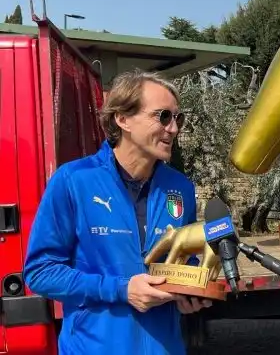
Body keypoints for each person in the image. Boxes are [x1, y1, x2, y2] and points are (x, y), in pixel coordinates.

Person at [23, 69, 211, 355]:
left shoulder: (180, 187)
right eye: (163, 116)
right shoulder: (74, 181)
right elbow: (40, 272)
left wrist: (190, 289)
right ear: (122, 119)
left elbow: (185, 259)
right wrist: (121, 290)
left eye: (178, 118)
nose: (173, 128)